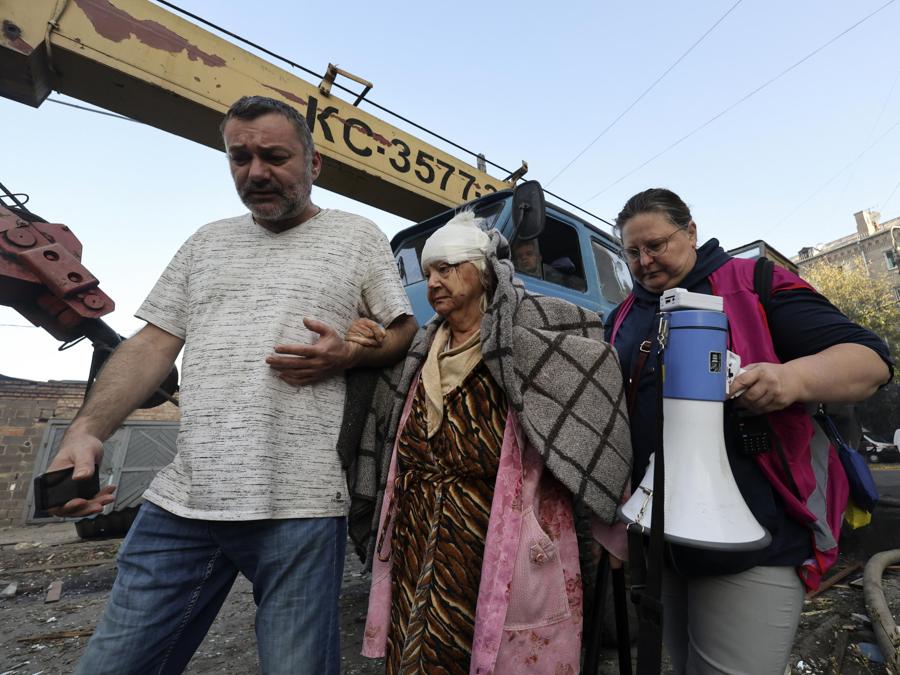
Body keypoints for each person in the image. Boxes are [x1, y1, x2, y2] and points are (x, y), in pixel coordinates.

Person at [49, 95, 417, 675]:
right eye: (239, 157)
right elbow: (151, 342)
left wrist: (346, 355)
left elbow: (402, 330)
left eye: (274, 156)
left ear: (314, 164)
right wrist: (88, 429)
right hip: (183, 501)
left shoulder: (357, 236)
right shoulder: (206, 242)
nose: (256, 172)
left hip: (298, 504)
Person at [605, 187, 892, 674]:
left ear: (691, 231)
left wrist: (791, 379)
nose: (644, 261)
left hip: (758, 537)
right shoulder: (624, 317)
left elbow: (870, 362)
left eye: (656, 245)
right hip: (664, 543)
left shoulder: (752, 283)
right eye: (632, 252)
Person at [347, 211, 633, 674]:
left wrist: (607, 521)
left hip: (493, 527)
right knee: (415, 639)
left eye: (445, 268)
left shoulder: (530, 338)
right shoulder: (421, 348)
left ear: (481, 271)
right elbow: (381, 406)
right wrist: (366, 345)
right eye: (428, 272)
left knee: (484, 644)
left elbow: (593, 396)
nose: (433, 281)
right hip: (418, 524)